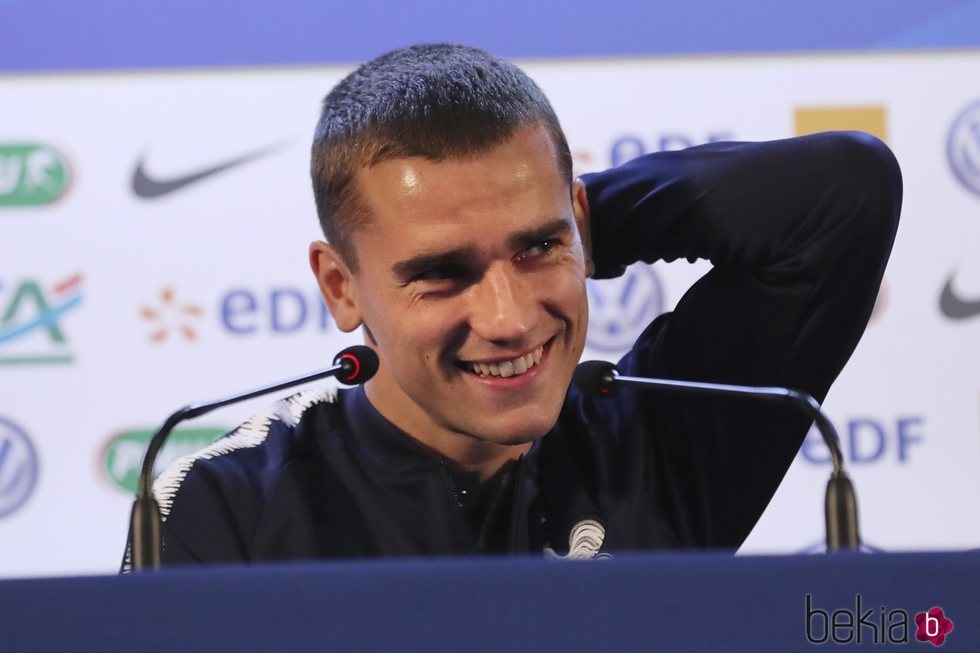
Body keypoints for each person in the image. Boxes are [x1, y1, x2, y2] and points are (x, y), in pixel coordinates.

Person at [125, 44, 901, 567]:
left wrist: (581, 226)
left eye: (535, 251)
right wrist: (545, 230)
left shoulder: (660, 444)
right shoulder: (223, 506)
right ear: (342, 286)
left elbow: (842, 194)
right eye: (442, 272)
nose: (510, 317)